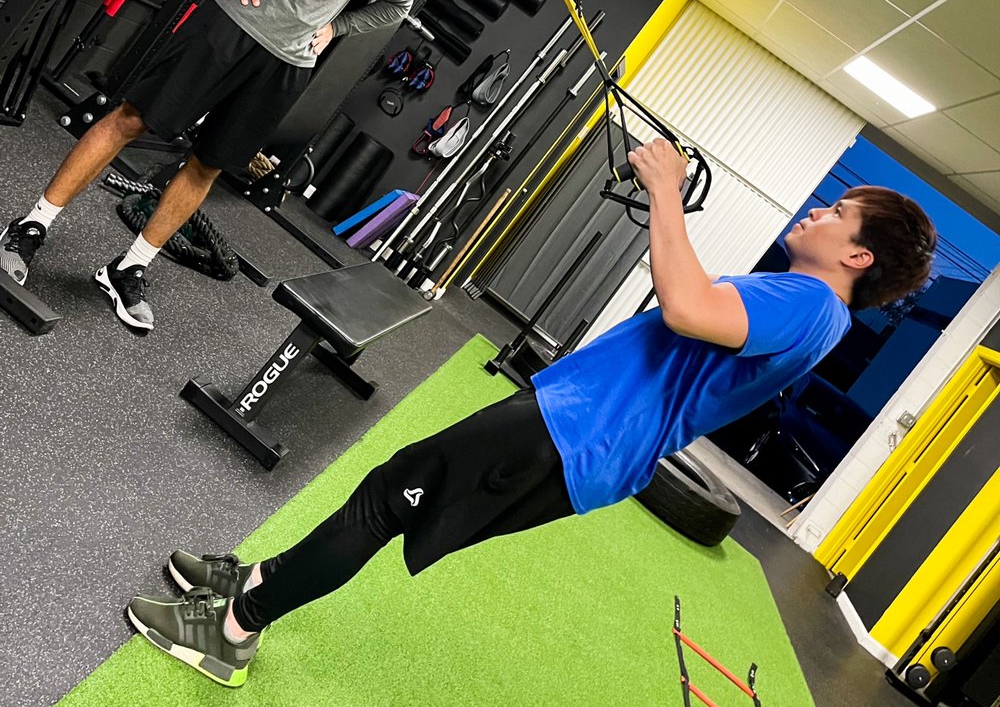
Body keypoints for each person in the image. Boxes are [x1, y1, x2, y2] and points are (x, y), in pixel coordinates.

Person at [125, 137, 937, 687]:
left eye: (838, 214)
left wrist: (666, 192)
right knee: (392, 488)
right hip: (579, 426)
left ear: (857, 255)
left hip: (577, 434)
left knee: (385, 502)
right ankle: (258, 578)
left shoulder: (808, 304)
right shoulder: (817, 312)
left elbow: (688, 306)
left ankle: (233, 629)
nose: (819, 212)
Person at [0, 0, 458, 331]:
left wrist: (337, 27)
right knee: (131, 120)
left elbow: (399, 3)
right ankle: (31, 226)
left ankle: (129, 267)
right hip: (230, 27)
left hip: (288, 65)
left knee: (207, 165)